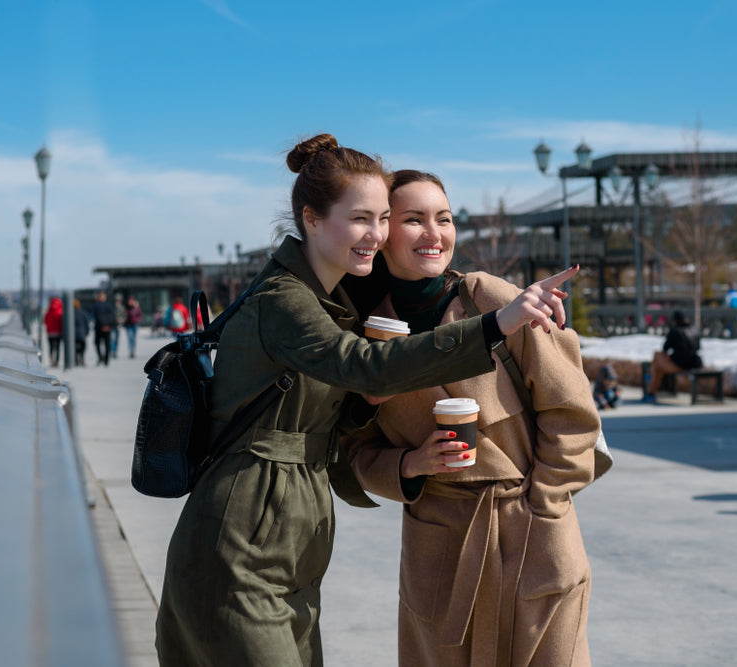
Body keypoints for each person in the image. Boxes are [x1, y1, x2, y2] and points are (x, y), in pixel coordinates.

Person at [155, 135, 578, 666]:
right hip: (247, 533)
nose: (375, 235)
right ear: (311, 219)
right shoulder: (286, 300)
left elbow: (341, 413)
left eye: (382, 218)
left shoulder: (333, 302)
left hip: (293, 537)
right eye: (361, 219)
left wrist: (548, 504)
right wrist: (497, 324)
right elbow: (362, 369)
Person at [341, 170, 599, 666]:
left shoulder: (491, 299)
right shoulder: (364, 335)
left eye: (444, 218)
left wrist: (543, 507)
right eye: (413, 219)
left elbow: (573, 413)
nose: (434, 233)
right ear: (380, 232)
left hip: (531, 532)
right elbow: (352, 449)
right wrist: (410, 466)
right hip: (439, 547)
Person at [642, 310, 703, 404]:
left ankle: (651, 393)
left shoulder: (675, 331)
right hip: (695, 362)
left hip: (680, 364)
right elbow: (698, 347)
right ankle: (652, 390)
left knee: (656, 362)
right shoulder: (696, 329)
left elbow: (665, 348)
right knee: (657, 363)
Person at [43, 296, 64, 367]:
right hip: (58, 332)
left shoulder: (49, 311)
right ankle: (57, 362)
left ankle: (51, 360)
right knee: (57, 347)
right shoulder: (60, 311)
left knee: (51, 347)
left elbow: (45, 321)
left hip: (50, 333)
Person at [73, 298, 90, 367]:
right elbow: (86, 323)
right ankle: (82, 358)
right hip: (81, 332)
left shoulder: (70, 313)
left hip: (73, 334)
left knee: (74, 347)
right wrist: (87, 332)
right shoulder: (83, 312)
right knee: (83, 346)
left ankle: (76, 359)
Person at [111, 294, 126, 358]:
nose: (118, 301)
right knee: (112, 339)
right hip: (112, 325)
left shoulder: (122, 307)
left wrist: (122, 320)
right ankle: (112, 351)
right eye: (117, 300)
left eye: (119, 300)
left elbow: (124, 316)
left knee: (117, 340)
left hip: (118, 326)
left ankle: (115, 352)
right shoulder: (112, 307)